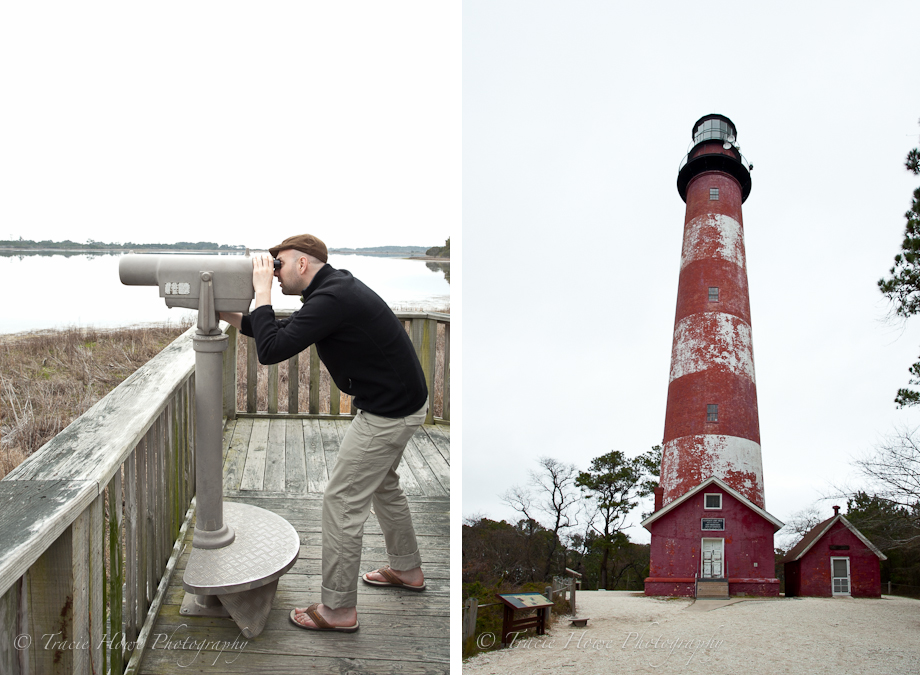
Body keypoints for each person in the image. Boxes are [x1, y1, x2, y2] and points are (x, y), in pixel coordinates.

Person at [219, 234, 429, 633]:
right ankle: (408, 570)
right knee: (384, 485)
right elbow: (276, 333)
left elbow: (269, 351)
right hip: (400, 403)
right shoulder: (332, 291)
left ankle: (338, 610)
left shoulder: (331, 299)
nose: (274, 274)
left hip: (388, 412)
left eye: (277, 265)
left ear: (302, 264)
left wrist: (261, 292)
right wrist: (225, 313)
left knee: (341, 500)